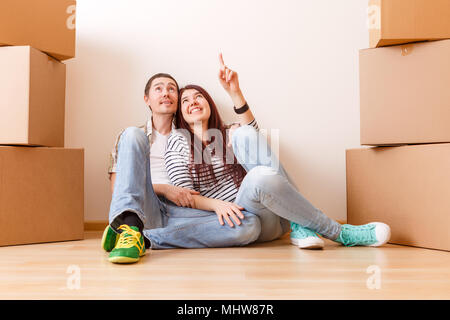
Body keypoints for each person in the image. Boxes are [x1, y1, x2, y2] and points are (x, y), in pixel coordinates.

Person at [164, 54, 391, 250]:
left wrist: (235, 92)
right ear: (180, 114)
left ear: (209, 103)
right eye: (185, 101)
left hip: (278, 216)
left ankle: (299, 224)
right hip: (245, 221)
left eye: (198, 97)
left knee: (245, 135)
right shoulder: (177, 142)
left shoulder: (229, 132)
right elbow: (184, 197)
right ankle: (339, 233)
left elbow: (257, 140)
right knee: (258, 174)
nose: (193, 102)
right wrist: (217, 205)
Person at [102, 73, 262, 264]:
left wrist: (239, 130)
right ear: (147, 100)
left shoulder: (193, 132)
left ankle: (144, 239)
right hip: (147, 209)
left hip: (183, 212)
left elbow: (252, 136)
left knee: (249, 224)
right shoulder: (132, 138)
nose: (166, 93)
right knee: (132, 133)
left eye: (171, 89)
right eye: (159, 88)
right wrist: (165, 189)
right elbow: (118, 189)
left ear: (178, 101)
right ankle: (130, 225)